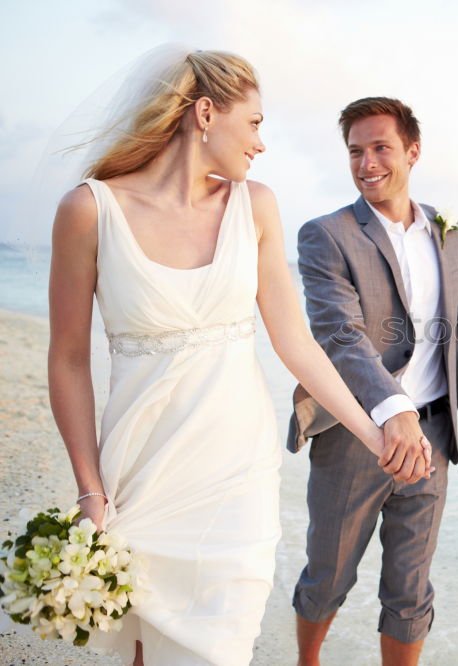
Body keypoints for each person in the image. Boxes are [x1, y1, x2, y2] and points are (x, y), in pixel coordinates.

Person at [47, 51, 430, 666]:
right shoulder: (90, 211)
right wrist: (90, 491)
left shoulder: (256, 206)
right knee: (148, 647)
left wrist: (374, 431)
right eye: (253, 124)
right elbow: (66, 359)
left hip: (236, 474)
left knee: (222, 648)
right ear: (205, 114)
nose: (261, 144)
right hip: (140, 469)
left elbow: (295, 342)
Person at [289, 97, 458, 666]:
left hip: (432, 437)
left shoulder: (451, 234)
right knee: (328, 572)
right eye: (355, 151)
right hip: (355, 431)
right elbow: (339, 335)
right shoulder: (325, 234)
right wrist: (392, 409)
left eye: (380, 148)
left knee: (410, 586)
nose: (366, 162)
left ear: (412, 151)